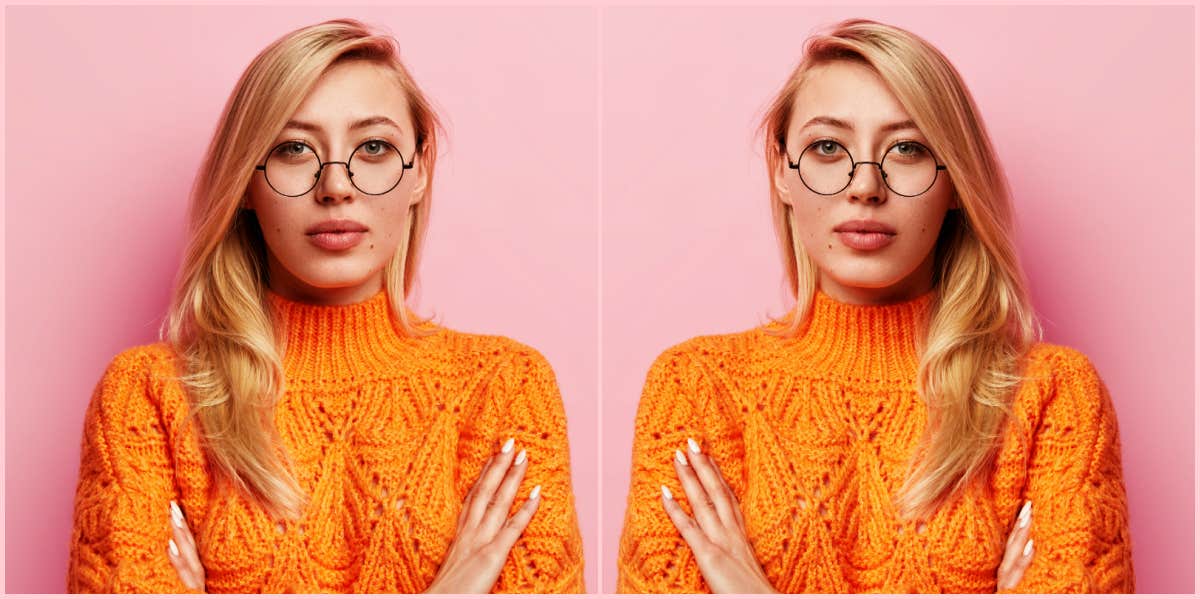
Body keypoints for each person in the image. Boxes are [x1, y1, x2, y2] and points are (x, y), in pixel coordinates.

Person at [66, 18, 584, 593]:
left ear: (418, 172)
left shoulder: (504, 388)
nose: (335, 185)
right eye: (293, 149)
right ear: (245, 183)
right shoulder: (148, 397)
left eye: (374, 147)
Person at [616, 18, 1133, 593]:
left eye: (907, 149)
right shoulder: (696, 387)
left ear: (956, 182)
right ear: (783, 173)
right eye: (828, 147)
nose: (865, 185)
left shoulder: (1054, 397)